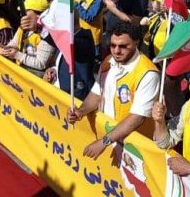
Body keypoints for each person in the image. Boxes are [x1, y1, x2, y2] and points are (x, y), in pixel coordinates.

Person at [67, 22, 159, 157]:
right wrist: (81, 111)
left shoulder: (148, 74)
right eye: (112, 45)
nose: (116, 51)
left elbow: (137, 118)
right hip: (109, 139)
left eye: (123, 46)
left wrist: (103, 142)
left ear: (136, 43)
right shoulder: (108, 62)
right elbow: (97, 93)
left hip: (134, 148)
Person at [0, 0, 56, 77]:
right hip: (20, 71)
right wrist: (7, 49)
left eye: (26, 11)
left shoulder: (47, 35)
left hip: (35, 77)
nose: (22, 15)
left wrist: (16, 55)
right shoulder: (22, 28)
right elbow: (15, 42)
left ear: (38, 14)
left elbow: (41, 64)